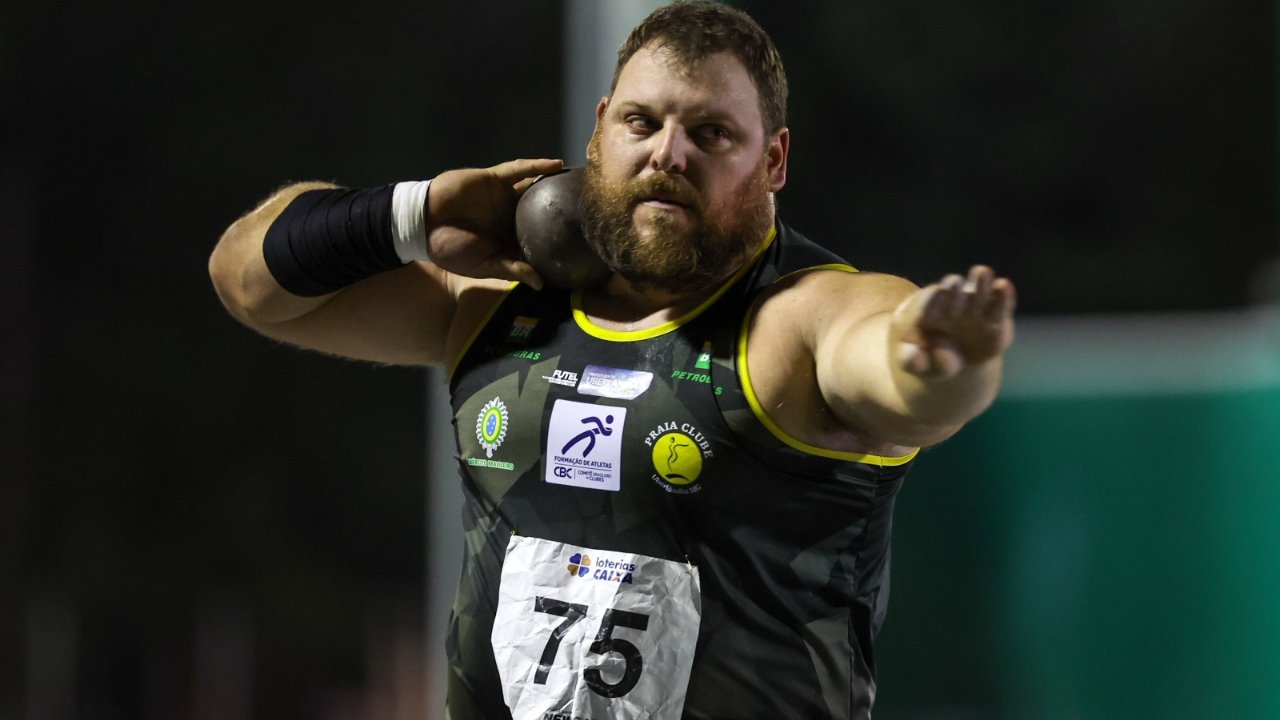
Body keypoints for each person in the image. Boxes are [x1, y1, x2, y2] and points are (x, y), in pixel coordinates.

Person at [208, 2, 1015, 718]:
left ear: (772, 162)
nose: (669, 153)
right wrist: (416, 213)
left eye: (711, 134)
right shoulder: (497, 300)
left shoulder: (796, 319)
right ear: (597, 131)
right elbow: (248, 282)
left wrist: (940, 356)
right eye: (641, 122)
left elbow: (905, 378)